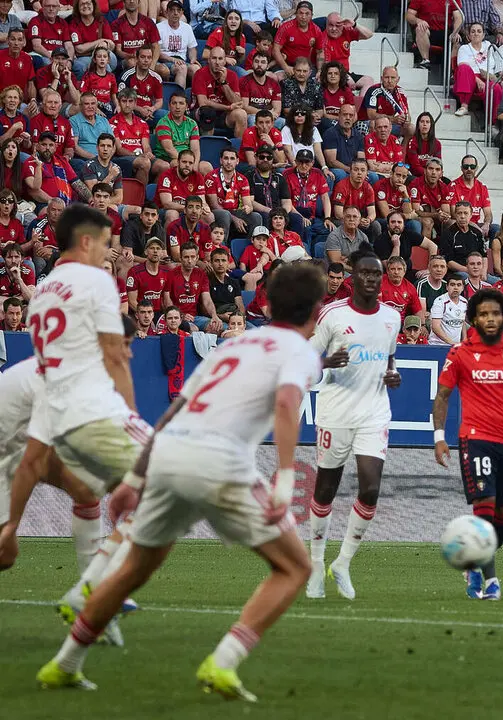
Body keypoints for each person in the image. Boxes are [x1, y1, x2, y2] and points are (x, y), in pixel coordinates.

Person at [35, 261, 327, 698]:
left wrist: (135, 476)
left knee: (132, 569)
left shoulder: (236, 344)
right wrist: (285, 478)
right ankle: (223, 662)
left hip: (170, 454)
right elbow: (287, 404)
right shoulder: (300, 350)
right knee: (294, 566)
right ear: (317, 310)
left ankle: (64, 663)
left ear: (266, 300)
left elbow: (173, 411)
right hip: (219, 462)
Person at [0, 206, 143, 571]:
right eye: (104, 244)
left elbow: (31, 458)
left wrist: (12, 524)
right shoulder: (96, 282)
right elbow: (114, 355)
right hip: (52, 408)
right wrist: (127, 415)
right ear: (85, 241)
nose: (107, 253)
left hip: (36, 401)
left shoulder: (43, 289)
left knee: (83, 491)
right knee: (156, 481)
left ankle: (90, 592)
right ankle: (94, 591)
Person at [306, 249, 402, 601]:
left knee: (371, 489)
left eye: (377, 274)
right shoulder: (331, 315)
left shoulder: (392, 318)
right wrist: (328, 361)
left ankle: (342, 563)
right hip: (334, 412)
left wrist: (393, 375)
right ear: (353, 276)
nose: (372, 279)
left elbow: (390, 358)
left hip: (374, 412)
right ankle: (316, 564)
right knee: (326, 490)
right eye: (365, 273)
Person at [433, 288, 503, 601]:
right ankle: (490, 581)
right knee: (486, 508)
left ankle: (475, 563)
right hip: (474, 438)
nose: (490, 319)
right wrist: (439, 438)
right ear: (474, 319)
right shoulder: (460, 353)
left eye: (495, 313)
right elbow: (442, 396)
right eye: (483, 314)